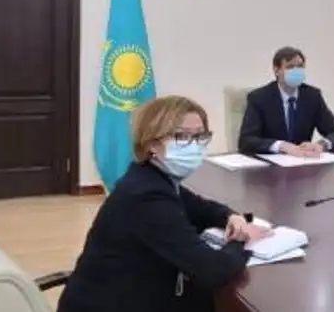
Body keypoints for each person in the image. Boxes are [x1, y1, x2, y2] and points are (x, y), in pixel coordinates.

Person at [58, 95, 270, 312]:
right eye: (181, 136)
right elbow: (213, 271)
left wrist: (231, 217)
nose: (193, 145)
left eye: (200, 136)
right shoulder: (146, 196)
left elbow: (201, 208)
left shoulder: (152, 178)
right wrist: (239, 241)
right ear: (152, 144)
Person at [238, 46, 334, 156]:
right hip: (271, 162)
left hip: (303, 161)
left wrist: (321, 145)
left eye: (300, 67)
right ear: (276, 70)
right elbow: (246, 141)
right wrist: (281, 146)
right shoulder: (259, 98)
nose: (296, 71)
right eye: (290, 67)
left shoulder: (312, 96)